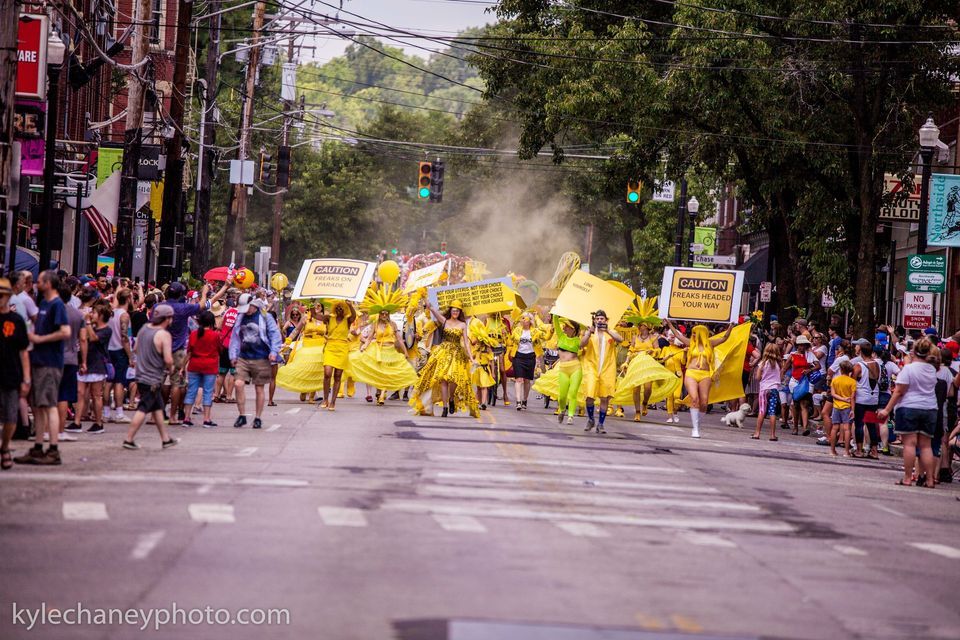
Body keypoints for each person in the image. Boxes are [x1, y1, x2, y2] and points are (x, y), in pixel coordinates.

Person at [15, 271, 70, 466]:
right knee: (38, 406)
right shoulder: (44, 304)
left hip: (50, 362)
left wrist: (40, 339)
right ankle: (38, 447)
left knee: (49, 405)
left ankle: (53, 449)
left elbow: (65, 331)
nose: (36, 284)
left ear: (48, 283)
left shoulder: (56, 305)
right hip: (39, 360)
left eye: (39, 281)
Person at [878, 338, 940, 487]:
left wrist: (887, 409)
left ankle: (907, 478)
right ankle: (930, 479)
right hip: (930, 408)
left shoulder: (909, 369)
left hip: (909, 407)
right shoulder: (932, 369)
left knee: (910, 444)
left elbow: (899, 391)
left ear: (914, 352)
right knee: (926, 446)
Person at [164, 281, 228, 425]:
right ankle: (203, 417)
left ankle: (182, 415)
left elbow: (190, 352)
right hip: (201, 362)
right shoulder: (188, 309)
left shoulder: (162, 307)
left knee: (186, 389)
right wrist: (206, 292)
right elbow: (219, 349)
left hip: (184, 360)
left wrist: (224, 287)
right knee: (199, 390)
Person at [409, 299, 478, 418]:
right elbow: (434, 312)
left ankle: (451, 399)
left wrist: (471, 357)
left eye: (457, 311)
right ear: (450, 311)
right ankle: (445, 407)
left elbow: (466, 343)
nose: (455, 312)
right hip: (444, 352)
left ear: (459, 312)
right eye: (453, 310)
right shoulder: (445, 321)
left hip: (457, 354)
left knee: (454, 380)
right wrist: (428, 304)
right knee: (443, 379)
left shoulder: (463, 324)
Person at [123, 304, 179, 450]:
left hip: (141, 374)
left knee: (158, 408)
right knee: (143, 408)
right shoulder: (164, 335)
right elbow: (168, 359)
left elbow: (136, 349)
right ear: (167, 318)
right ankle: (128, 439)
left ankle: (165, 439)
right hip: (153, 378)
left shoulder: (144, 329)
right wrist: (172, 369)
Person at [665, 319, 734, 438]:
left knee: (704, 402)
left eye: (695, 333)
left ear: (701, 333)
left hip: (705, 374)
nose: (692, 335)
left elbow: (724, 338)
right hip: (691, 373)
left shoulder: (710, 343)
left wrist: (731, 326)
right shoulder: (690, 343)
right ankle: (695, 429)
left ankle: (697, 423)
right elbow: (677, 335)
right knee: (694, 398)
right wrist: (669, 323)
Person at [228, 293, 282, 429]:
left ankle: (258, 418)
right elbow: (235, 337)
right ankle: (242, 415)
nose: (246, 310)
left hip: (261, 357)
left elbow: (275, 334)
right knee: (238, 384)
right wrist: (233, 355)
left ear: (253, 305)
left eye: (247, 307)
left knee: (259, 388)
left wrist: (274, 352)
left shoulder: (265, 317)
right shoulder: (240, 318)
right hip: (243, 357)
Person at [613, 312, 679, 422]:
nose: (640, 327)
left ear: (648, 327)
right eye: (639, 325)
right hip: (636, 363)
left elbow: (658, 350)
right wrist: (626, 361)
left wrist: (651, 351)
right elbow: (630, 350)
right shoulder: (635, 337)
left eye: (642, 325)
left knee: (648, 388)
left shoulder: (653, 338)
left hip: (648, 363)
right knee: (636, 388)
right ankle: (637, 412)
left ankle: (645, 403)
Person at [349, 304, 418, 405]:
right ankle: (378, 392)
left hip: (390, 351)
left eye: (386, 313)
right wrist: (364, 346)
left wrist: (405, 352)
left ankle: (381, 395)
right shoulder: (375, 324)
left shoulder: (393, 324)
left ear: (389, 314)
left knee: (386, 373)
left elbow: (399, 339)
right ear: (379, 314)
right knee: (379, 372)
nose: (384, 315)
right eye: (382, 313)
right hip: (378, 351)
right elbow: (369, 338)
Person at [0, 277, 30, 470]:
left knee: (11, 418)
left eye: (3, 295)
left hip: (11, 374)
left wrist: (26, 378)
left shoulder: (15, 320)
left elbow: (23, 350)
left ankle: (5, 448)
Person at [533, 316, 584, 424]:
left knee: (573, 393)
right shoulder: (561, 336)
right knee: (562, 396)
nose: (564, 328)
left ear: (573, 329)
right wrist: (556, 311)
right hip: (563, 368)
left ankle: (570, 416)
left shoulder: (578, 340)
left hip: (576, 368)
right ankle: (562, 409)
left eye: (566, 326)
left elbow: (585, 343)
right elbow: (555, 322)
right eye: (564, 326)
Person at [581, 310, 623, 434]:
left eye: (602, 319)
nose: (600, 321)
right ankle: (590, 419)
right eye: (597, 319)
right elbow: (581, 344)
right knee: (589, 396)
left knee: (604, 398)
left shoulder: (611, 333)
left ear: (606, 320)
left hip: (607, 369)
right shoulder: (589, 333)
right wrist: (589, 332)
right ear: (594, 320)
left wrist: (608, 330)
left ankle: (601, 424)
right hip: (591, 368)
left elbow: (620, 340)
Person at [71, 304, 112, 434]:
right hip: (85, 362)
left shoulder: (106, 330)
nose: (91, 314)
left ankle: (98, 423)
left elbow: (94, 338)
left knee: (96, 395)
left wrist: (87, 322)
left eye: (94, 313)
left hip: (97, 364)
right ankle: (77, 422)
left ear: (101, 316)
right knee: (80, 392)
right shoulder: (91, 327)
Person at [277, 303, 326, 402]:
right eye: (314, 306)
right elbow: (296, 331)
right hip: (307, 347)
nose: (316, 308)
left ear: (322, 308)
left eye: (319, 306)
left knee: (317, 372)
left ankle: (312, 396)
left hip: (320, 347)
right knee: (306, 370)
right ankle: (304, 390)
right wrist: (288, 341)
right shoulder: (305, 318)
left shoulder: (325, 319)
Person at [183, 311, 220, 428]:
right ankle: (206, 419)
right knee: (208, 392)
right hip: (210, 366)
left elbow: (189, 353)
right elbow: (219, 350)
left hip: (194, 365)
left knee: (191, 391)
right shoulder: (215, 335)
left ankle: (187, 417)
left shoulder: (194, 334)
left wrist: (182, 367)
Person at [56, 283, 83, 443]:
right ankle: (59, 429)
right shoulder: (77, 314)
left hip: (53, 357)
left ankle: (47, 429)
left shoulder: (52, 311)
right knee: (64, 396)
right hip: (72, 357)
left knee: (52, 394)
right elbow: (84, 339)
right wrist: (84, 360)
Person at [320, 300, 356, 411]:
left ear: (345, 310)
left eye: (342, 308)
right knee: (327, 373)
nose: (339, 310)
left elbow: (353, 316)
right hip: (330, 346)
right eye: (337, 308)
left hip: (342, 348)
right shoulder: (329, 318)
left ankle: (333, 402)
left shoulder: (347, 320)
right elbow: (316, 316)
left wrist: (350, 305)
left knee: (337, 376)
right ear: (334, 308)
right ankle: (325, 399)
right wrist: (311, 304)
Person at [104, 288, 133, 425]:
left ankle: (106, 412)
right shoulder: (124, 316)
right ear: (128, 299)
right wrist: (130, 356)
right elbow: (124, 337)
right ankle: (119, 413)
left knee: (109, 381)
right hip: (120, 350)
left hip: (109, 349)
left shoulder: (111, 313)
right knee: (119, 382)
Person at [784, 335, 819, 436]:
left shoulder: (810, 355)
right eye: (800, 345)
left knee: (804, 404)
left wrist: (809, 370)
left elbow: (818, 365)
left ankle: (804, 427)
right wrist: (782, 379)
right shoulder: (792, 355)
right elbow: (785, 368)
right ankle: (795, 427)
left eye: (804, 345)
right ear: (797, 345)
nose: (802, 347)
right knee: (795, 405)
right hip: (794, 381)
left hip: (806, 382)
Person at [509, 313, 545, 411]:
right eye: (522, 318)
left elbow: (545, 336)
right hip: (518, 356)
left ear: (530, 320)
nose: (523, 320)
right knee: (518, 379)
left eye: (525, 318)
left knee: (527, 380)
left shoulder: (535, 331)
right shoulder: (517, 330)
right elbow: (512, 337)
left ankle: (524, 400)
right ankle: (518, 401)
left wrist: (550, 330)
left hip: (530, 357)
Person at [852, 339, 881, 459]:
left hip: (861, 399)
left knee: (859, 424)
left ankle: (859, 450)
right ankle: (874, 451)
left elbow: (852, 381)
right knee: (871, 425)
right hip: (873, 398)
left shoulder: (859, 366)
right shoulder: (877, 364)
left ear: (861, 352)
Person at [752, 342, 782, 441]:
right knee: (772, 412)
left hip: (764, 389)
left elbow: (758, 377)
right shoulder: (778, 364)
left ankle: (757, 433)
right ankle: (772, 435)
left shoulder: (762, 364)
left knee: (762, 411)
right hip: (774, 389)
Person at [828, 361, 857, 457]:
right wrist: (853, 409)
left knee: (834, 427)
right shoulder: (852, 382)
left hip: (836, 406)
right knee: (847, 428)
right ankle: (846, 451)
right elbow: (853, 397)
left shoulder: (835, 380)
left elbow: (832, 394)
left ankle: (832, 450)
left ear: (840, 369)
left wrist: (841, 398)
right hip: (847, 406)